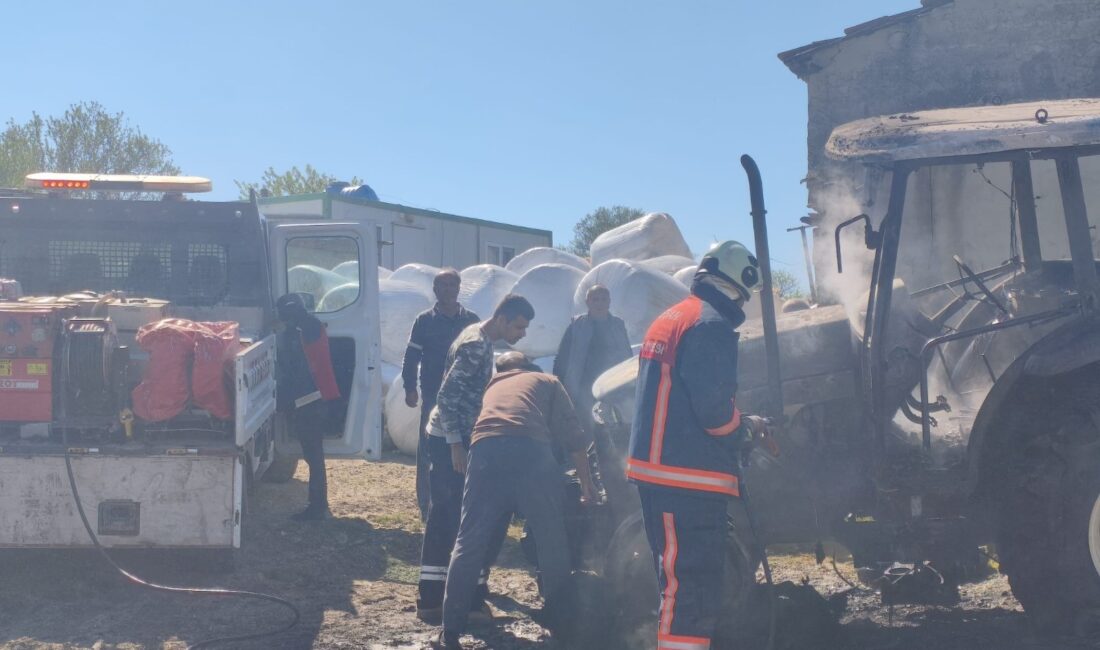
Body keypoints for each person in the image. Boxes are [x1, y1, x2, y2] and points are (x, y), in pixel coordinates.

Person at [626, 241, 772, 650]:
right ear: (736, 288)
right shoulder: (710, 325)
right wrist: (743, 429)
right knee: (693, 586)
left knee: (676, 582)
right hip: (686, 476)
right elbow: (713, 412)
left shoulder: (674, 317)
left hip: (664, 473)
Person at [431, 352, 597, 650]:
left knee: (468, 542)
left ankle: (449, 631)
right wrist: (587, 484)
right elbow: (574, 436)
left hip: (486, 450)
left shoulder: (490, 386)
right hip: (531, 451)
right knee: (551, 540)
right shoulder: (547, 380)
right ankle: (561, 629)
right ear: (529, 366)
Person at [417, 294, 535, 624]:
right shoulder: (476, 346)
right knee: (460, 517)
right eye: (519, 326)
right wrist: (456, 444)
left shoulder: (475, 335)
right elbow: (447, 394)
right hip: (451, 439)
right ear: (502, 319)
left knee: (447, 515)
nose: (522, 334)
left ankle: (434, 600)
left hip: (451, 435)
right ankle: (460, 600)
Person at [402, 269, 480, 521]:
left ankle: (462, 503)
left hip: (466, 398)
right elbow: (412, 356)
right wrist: (409, 386)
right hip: (434, 394)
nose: (448, 289)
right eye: (442, 285)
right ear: (435, 290)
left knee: (465, 447)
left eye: (452, 285)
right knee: (429, 449)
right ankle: (428, 505)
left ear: (459, 289)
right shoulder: (424, 321)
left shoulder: (471, 321)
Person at [274, 293, 341, 522]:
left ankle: (317, 506)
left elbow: (297, 373)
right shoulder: (312, 324)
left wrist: (282, 401)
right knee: (315, 457)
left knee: (314, 457)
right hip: (319, 398)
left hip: (310, 401)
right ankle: (318, 505)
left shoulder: (298, 332)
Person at [553, 284, 633, 436]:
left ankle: (611, 456)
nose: (600, 304)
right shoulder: (577, 325)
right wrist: (559, 386)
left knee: (614, 426)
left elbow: (626, 354)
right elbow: (562, 357)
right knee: (586, 425)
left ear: (609, 302)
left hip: (612, 386)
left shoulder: (617, 325)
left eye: (603, 299)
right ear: (587, 302)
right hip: (583, 385)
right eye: (595, 300)